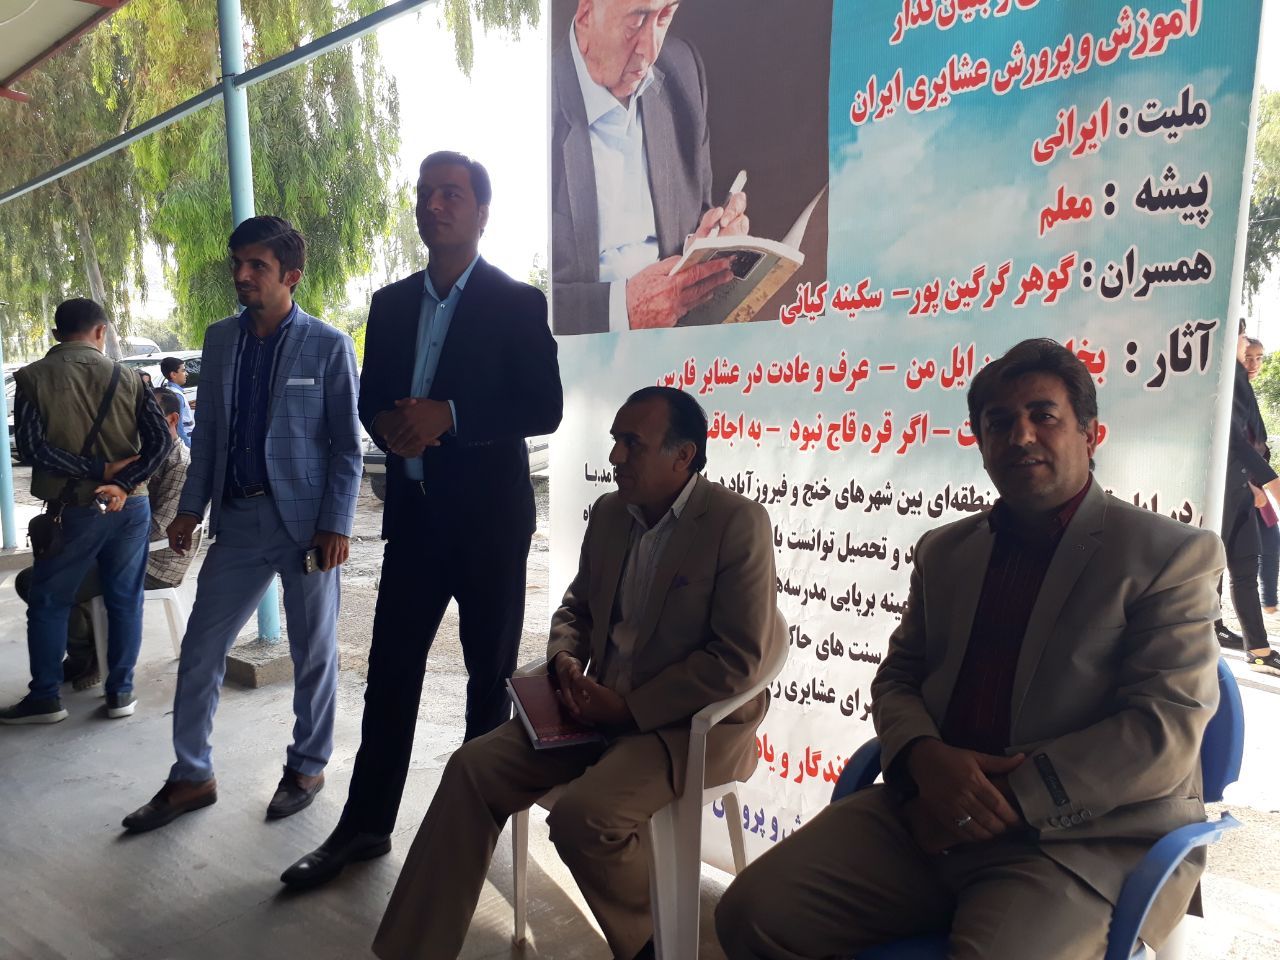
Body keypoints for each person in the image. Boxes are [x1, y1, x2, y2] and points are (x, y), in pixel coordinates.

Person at [716, 338, 1226, 960]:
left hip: (1073, 841)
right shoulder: (945, 551)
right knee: (751, 915)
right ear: (981, 444)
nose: (1020, 435)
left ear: (1091, 433)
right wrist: (924, 758)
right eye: (998, 422)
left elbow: (1162, 732)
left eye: (1043, 415)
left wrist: (994, 802)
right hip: (922, 814)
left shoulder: (1169, 556)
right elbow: (898, 678)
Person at [371, 386, 785, 960]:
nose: (615, 456)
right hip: (594, 709)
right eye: (615, 440)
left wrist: (630, 709)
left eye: (632, 443)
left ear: (684, 456)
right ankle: (412, 950)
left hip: (682, 727)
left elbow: (737, 659)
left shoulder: (736, 523)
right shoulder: (613, 513)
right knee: (472, 768)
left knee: (584, 819)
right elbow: (577, 609)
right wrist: (565, 659)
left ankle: (662, 948)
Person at [280, 152, 563, 888]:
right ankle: (365, 827)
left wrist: (451, 417)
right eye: (425, 193)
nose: (434, 205)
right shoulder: (391, 304)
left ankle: (467, 836)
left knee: (487, 680)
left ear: (481, 212)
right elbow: (372, 394)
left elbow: (544, 406)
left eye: (452, 194)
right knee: (391, 675)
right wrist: (392, 427)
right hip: (413, 523)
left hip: (489, 524)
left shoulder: (515, 301)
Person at [121, 215, 362, 833]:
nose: (242, 274)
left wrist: (336, 523)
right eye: (238, 263)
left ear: (291, 276)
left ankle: (307, 766)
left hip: (307, 528)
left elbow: (346, 446)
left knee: (314, 652)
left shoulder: (328, 344)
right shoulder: (222, 339)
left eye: (257, 265)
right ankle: (191, 774)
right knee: (202, 648)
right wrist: (190, 509)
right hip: (238, 521)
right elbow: (210, 439)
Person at [0, 297, 172, 725]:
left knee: (49, 600)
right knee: (125, 599)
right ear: (101, 331)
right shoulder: (131, 377)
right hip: (130, 507)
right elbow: (160, 443)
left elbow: (33, 448)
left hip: (73, 510)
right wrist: (122, 482)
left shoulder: (32, 378)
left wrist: (98, 472)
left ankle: (45, 698)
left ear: (56, 334)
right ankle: (121, 693)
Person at [551, 0, 749, 334]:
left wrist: (708, 244)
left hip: (680, 339)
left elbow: (697, 214)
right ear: (586, 13)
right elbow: (512, 300)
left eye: (665, 16)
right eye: (637, 20)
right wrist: (621, 310)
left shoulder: (682, 69)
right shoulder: (529, 104)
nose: (652, 50)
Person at [10, 386, 203, 691]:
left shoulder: (180, 464)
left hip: (156, 563)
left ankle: (89, 656)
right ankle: (91, 652)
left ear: (173, 419)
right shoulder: (141, 458)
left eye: (149, 419)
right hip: (128, 550)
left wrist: (101, 538)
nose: (140, 428)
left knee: (38, 582)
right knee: (48, 572)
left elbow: (159, 530)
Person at [1214, 323, 1280, 673]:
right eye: (1243, 340)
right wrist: (1272, 483)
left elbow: (1251, 442)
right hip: (1221, 490)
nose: (1247, 351)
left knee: (1244, 568)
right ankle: (1204, 636)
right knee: (1209, 569)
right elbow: (1233, 440)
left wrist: (1255, 484)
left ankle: (1258, 650)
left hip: (1240, 489)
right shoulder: (1226, 374)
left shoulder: (1238, 377)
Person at [1242, 337, 1280, 615]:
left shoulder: (1246, 393)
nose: (1254, 363)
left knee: (1271, 540)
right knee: (1234, 557)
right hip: (1239, 485)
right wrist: (1248, 487)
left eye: (1259, 357)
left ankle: (1269, 604)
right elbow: (1233, 447)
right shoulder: (1232, 396)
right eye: (1248, 357)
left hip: (1255, 482)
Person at [160, 356, 195, 448]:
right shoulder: (177, 395)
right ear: (173, 374)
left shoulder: (168, 390)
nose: (186, 374)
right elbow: (179, 427)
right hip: (185, 442)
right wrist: (188, 447)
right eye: (183, 370)